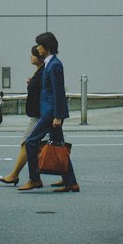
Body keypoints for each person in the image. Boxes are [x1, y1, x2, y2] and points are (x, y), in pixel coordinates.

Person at [18, 31, 80, 193]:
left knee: (31, 142)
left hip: (51, 113)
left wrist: (58, 116)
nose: (37, 48)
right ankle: (70, 182)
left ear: (47, 47)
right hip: (50, 112)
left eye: (39, 45)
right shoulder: (49, 64)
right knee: (59, 145)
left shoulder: (54, 65)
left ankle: (34, 179)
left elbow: (59, 92)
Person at [0, 45, 44, 186]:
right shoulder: (39, 71)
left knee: (27, 142)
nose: (31, 57)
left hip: (40, 114)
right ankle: (66, 176)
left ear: (40, 57)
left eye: (33, 55)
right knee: (51, 145)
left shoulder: (44, 72)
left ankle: (16, 175)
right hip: (39, 113)